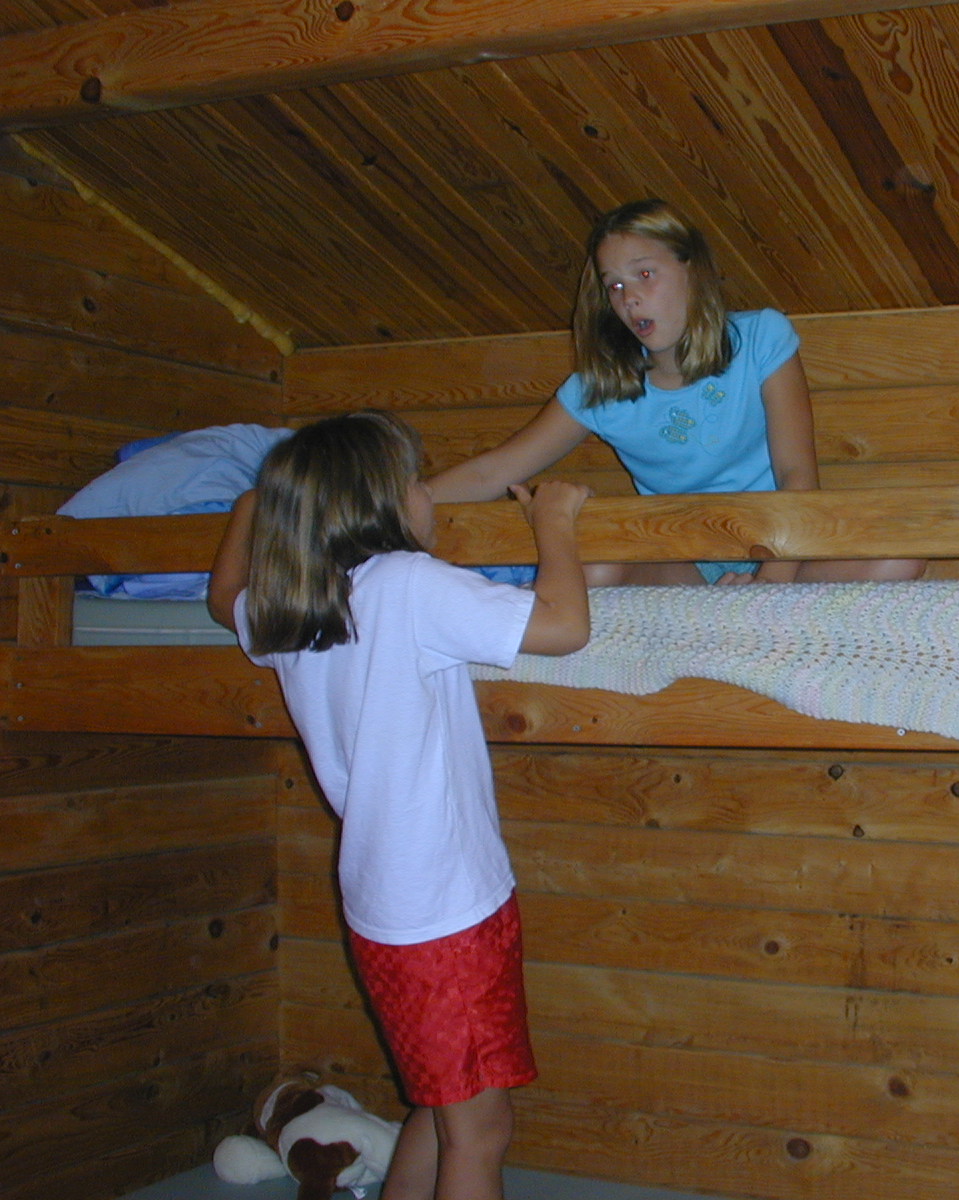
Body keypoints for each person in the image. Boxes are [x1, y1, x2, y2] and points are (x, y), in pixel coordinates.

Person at [206, 411, 591, 1200]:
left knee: (443, 1108)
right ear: (378, 503)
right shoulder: (406, 583)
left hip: (389, 909)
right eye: (415, 479)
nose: (427, 494)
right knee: (480, 1135)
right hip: (448, 913)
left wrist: (256, 507)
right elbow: (565, 627)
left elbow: (223, 599)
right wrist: (554, 524)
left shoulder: (291, 607)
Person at [427, 197, 922, 585]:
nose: (631, 297)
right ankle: (716, 614)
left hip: (784, 545)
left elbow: (797, 477)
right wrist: (391, 504)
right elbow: (494, 469)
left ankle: (766, 613)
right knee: (595, 570)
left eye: (644, 274)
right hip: (681, 559)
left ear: (691, 270)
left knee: (902, 552)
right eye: (614, 286)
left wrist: (772, 581)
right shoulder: (601, 388)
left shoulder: (759, 341)